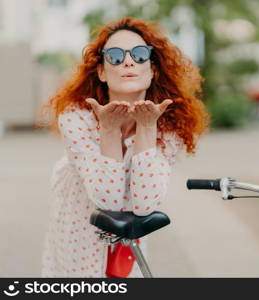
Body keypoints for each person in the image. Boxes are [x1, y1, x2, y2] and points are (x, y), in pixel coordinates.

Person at [39, 17, 209, 278]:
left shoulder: (168, 124)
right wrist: (108, 129)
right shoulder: (77, 117)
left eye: (140, 55)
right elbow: (107, 200)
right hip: (79, 228)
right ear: (102, 72)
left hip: (130, 237)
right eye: (115, 56)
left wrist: (147, 127)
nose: (129, 61)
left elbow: (144, 206)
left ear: (152, 70)